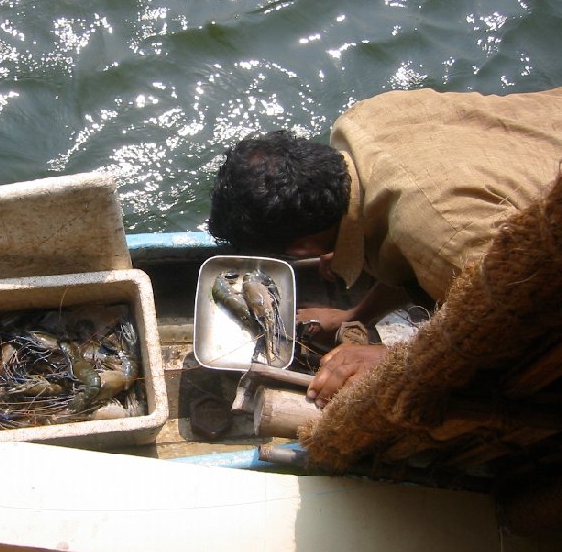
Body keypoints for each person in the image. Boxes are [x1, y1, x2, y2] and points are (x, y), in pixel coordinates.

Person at [208, 87, 562, 409]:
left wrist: (390, 355)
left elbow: (520, 338)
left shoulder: (456, 243)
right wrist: (355, 316)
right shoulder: (362, 119)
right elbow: (404, 250)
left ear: (303, 247)